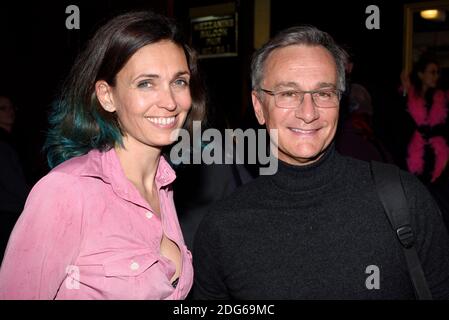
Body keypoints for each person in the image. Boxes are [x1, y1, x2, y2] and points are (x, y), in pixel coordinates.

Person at [193, 26, 449, 299]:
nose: (308, 112)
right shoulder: (222, 227)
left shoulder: (403, 199)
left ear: (340, 100)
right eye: (288, 94)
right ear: (259, 106)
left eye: (323, 93)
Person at [0, 11, 205, 300]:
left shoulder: (164, 186)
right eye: (146, 83)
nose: (170, 101)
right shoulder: (67, 191)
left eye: (179, 81)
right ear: (107, 96)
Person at [399, 57, 449, 185]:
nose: (436, 76)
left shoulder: (441, 98)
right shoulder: (408, 96)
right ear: (421, 75)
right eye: (432, 72)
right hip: (413, 152)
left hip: (435, 154)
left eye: (438, 72)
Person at [0, 95, 29, 262]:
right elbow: (12, 182)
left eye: (11, 107)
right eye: (3, 108)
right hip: (7, 214)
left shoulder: (13, 140)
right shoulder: (2, 144)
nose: (10, 111)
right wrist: (34, 199)